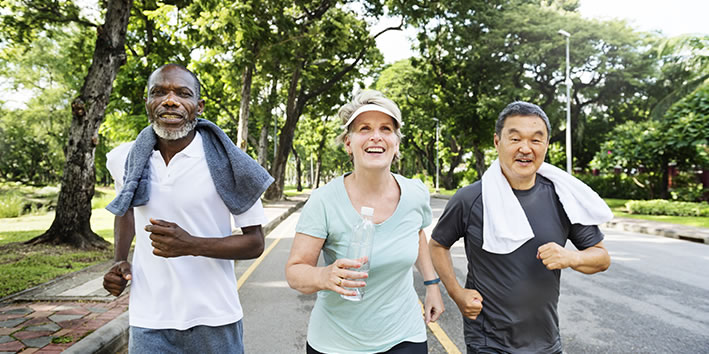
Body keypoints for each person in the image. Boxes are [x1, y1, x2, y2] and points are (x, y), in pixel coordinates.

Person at [102, 63, 273, 354]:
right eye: (159, 92)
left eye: (183, 93)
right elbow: (126, 209)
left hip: (215, 318)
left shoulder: (231, 164)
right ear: (148, 103)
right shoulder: (124, 158)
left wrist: (191, 244)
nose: (170, 100)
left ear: (198, 106)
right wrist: (119, 261)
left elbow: (255, 243)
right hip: (149, 319)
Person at [430, 101, 612, 354]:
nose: (525, 148)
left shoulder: (563, 198)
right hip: (488, 341)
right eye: (515, 138)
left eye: (536, 140)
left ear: (546, 145)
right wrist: (457, 293)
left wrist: (570, 256)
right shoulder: (470, 199)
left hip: (546, 341)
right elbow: (438, 244)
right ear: (497, 142)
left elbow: (601, 258)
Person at [285, 90, 444, 353]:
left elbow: (416, 234)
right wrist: (325, 276)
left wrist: (431, 285)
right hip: (337, 342)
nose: (376, 136)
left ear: (396, 143)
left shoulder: (415, 193)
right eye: (364, 128)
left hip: (405, 335)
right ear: (348, 143)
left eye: (386, 128)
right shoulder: (324, 201)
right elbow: (295, 271)